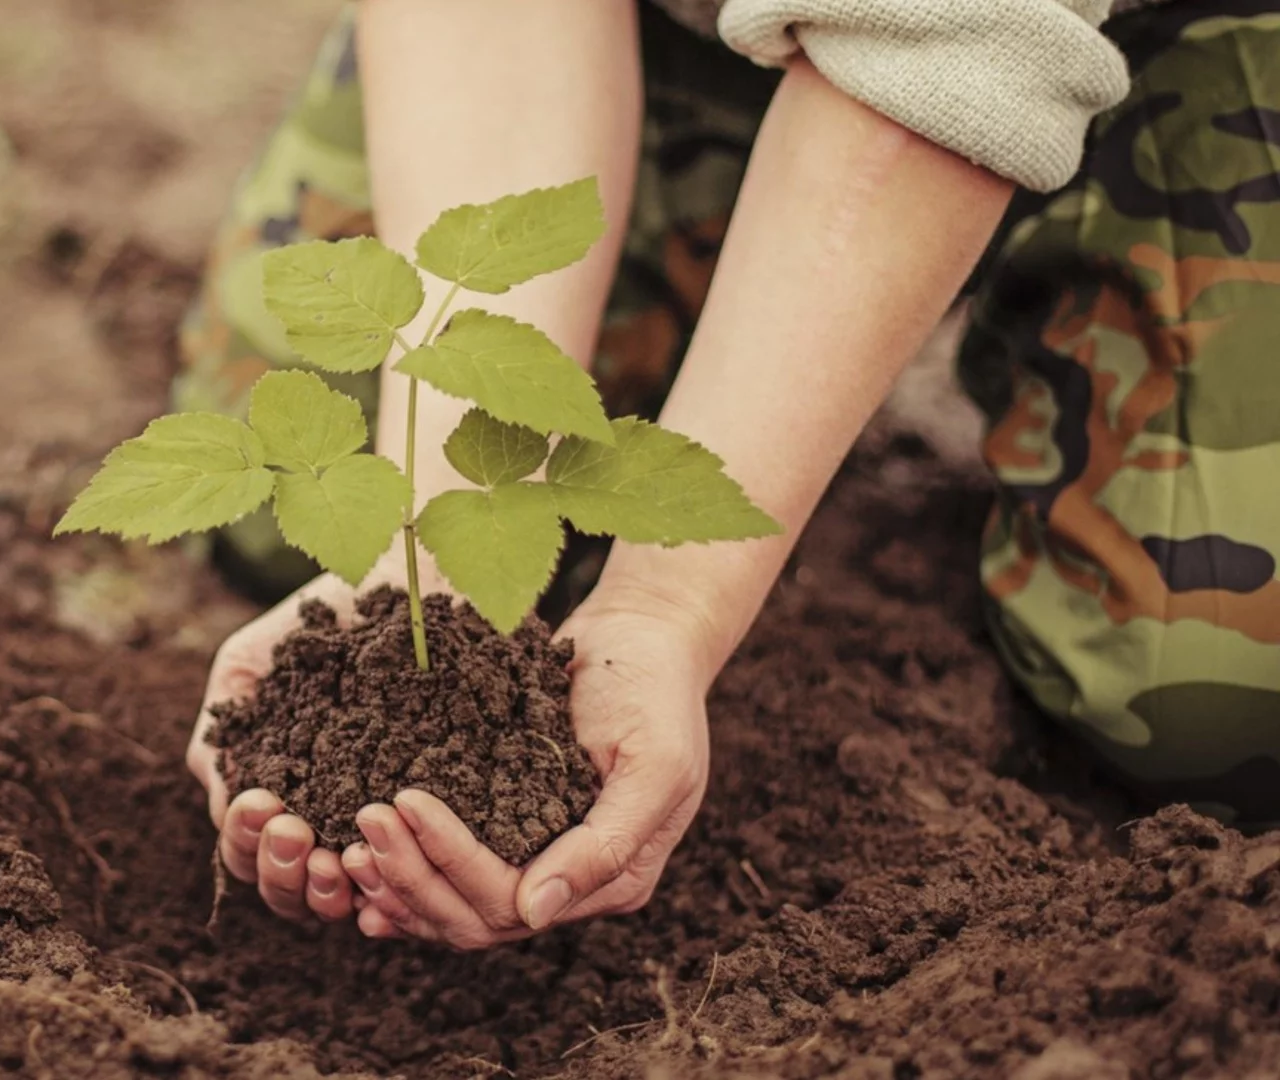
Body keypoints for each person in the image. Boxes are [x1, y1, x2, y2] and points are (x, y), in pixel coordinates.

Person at [175, 0, 1280, 949]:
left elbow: (957, 41)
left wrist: (672, 598)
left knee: (1210, 698)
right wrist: (420, 535)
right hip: (681, 28)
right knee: (297, 502)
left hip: (1141, 40)